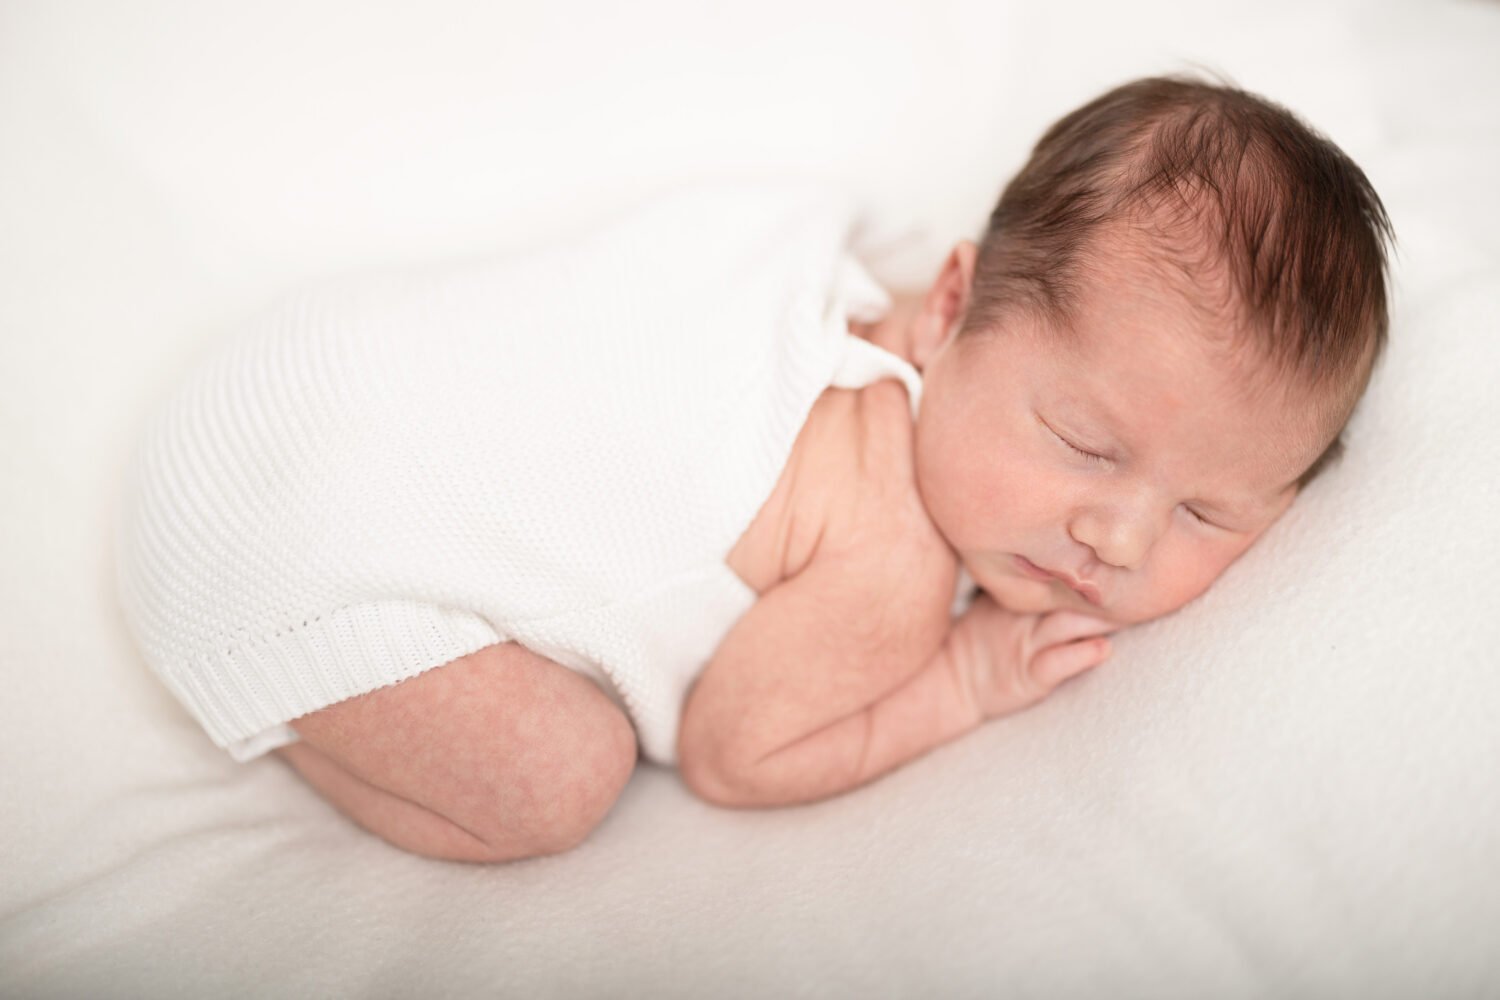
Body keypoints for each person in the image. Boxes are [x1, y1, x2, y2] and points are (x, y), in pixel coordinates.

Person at [114, 74, 1394, 864]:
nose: (1113, 537)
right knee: (561, 783)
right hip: (257, 554)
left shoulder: (842, 270)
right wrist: (956, 684)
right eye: (1084, 445)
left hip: (289, 375)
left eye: (1205, 512)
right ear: (949, 305)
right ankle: (275, 692)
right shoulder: (886, 557)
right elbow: (735, 756)